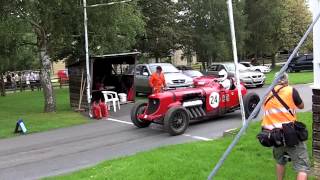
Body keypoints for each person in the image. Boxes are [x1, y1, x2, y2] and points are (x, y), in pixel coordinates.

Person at [262, 72, 310, 180]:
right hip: (290, 134)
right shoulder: (290, 90)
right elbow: (301, 106)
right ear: (286, 80)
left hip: (272, 135)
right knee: (303, 167)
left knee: (280, 161)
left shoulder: (267, 93)